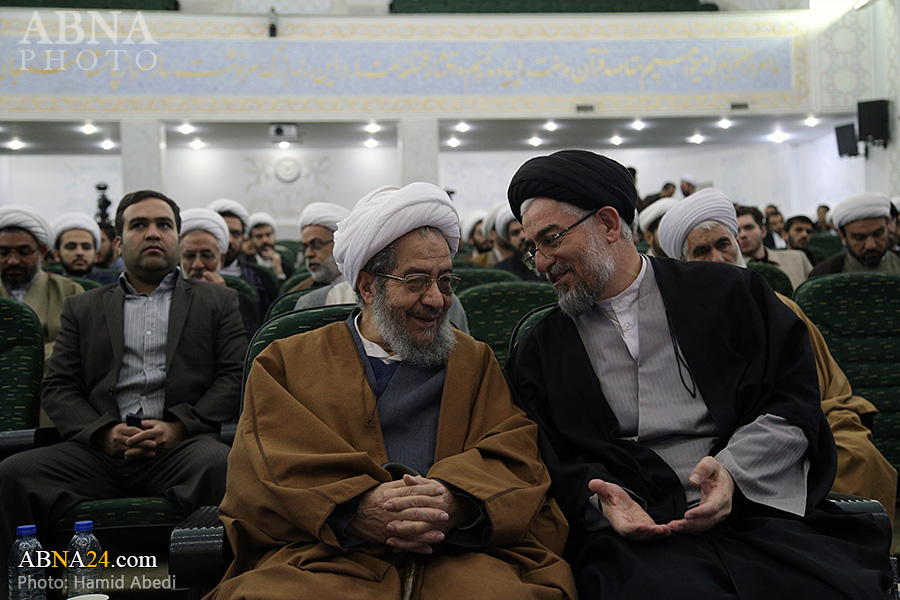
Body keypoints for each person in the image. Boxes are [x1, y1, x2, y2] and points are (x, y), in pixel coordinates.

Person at [503, 150, 891, 599]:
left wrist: (733, 472)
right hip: (638, 533)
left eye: (551, 239)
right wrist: (601, 502)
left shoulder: (730, 295)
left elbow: (791, 401)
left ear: (608, 224)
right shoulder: (540, 349)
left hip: (757, 506)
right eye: (533, 249)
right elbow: (552, 457)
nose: (542, 262)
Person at [206, 181, 576, 600]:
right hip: (327, 555)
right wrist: (353, 508)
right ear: (367, 287)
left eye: (445, 281)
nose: (437, 300)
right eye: (417, 281)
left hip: (461, 553)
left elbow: (513, 454)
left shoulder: (474, 360)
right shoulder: (285, 363)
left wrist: (455, 500)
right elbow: (266, 472)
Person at [0, 190, 248, 600]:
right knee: (12, 475)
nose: (152, 233)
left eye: (163, 225)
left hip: (181, 448)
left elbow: (233, 376)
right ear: (117, 243)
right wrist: (102, 432)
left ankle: (217, 592)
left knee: (222, 465)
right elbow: (58, 386)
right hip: (98, 450)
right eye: (139, 225)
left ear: (177, 238)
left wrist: (178, 427)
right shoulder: (83, 307)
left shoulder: (217, 301)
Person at [656, 189, 897, 526]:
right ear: (684, 264)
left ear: (737, 246)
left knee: (858, 456)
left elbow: (832, 393)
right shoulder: (674, 328)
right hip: (726, 448)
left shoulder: (783, 309)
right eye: (702, 251)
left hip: (804, 429)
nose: (718, 259)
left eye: (723, 245)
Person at [0, 204, 84, 365]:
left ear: (43, 252)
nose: (13, 261)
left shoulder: (70, 291)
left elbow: (79, 344)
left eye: (23, 252)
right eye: (3, 253)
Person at [180, 207, 263, 339]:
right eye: (189, 256)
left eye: (206, 256)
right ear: (180, 258)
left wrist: (224, 302)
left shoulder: (245, 300)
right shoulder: (164, 296)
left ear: (221, 259)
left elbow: (249, 344)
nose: (197, 265)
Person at [208, 198, 279, 310]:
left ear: (243, 238)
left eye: (235, 234)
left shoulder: (261, 276)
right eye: (223, 232)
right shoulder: (190, 275)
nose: (229, 240)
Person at [809, 192, 900, 278]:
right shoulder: (823, 274)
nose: (871, 245)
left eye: (878, 234)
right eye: (860, 238)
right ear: (843, 237)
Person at [735, 205, 812, 289]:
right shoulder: (734, 271)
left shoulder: (797, 258)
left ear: (763, 231)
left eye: (749, 228)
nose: (742, 235)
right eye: (737, 231)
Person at [283, 202, 350, 293]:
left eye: (316, 245)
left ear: (340, 244)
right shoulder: (298, 293)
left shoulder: (365, 291)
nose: (308, 254)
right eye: (305, 247)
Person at [50, 213, 119, 285]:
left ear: (95, 255)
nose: (79, 252)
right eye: (71, 247)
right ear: (57, 255)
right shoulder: (50, 285)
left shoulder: (114, 283)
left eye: (86, 247)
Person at [493, 205, 542, 281]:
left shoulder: (552, 257)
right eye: (515, 233)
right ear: (509, 239)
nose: (522, 236)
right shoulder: (502, 271)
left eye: (524, 229)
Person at [248, 211, 293, 281]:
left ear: (274, 236)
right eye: (259, 236)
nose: (265, 240)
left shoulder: (286, 261)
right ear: (251, 240)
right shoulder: (247, 264)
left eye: (268, 235)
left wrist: (279, 272)